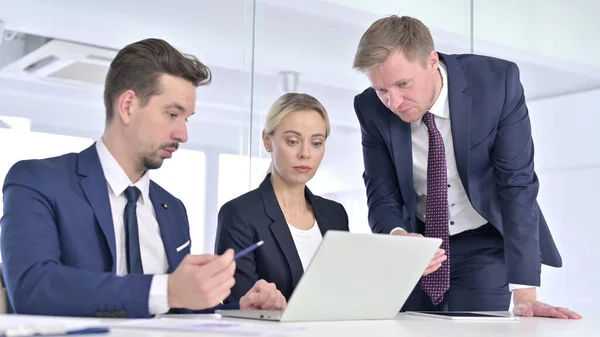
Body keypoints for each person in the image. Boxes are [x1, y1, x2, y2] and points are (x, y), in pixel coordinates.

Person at [0, 38, 286, 318]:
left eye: (186, 119)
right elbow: (33, 289)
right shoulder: (38, 182)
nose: (183, 134)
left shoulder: (172, 208)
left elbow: (177, 310)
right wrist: (168, 289)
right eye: (172, 114)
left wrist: (240, 311)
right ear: (127, 106)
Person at [352, 15, 581, 319]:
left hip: (483, 239)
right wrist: (398, 239)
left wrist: (524, 293)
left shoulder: (496, 84)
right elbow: (382, 195)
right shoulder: (370, 109)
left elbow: (516, 185)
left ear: (431, 60)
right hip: (418, 247)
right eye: (382, 90)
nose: (393, 101)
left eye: (403, 84)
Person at [215, 93, 349, 302]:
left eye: (316, 143)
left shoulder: (335, 214)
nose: (305, 153)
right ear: (267, 141)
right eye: (293, 141)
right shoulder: (240, 214)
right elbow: (237, 305)